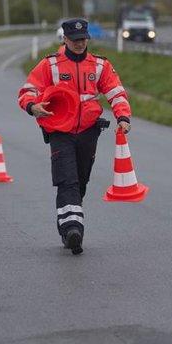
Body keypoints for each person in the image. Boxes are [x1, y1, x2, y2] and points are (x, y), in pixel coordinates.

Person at [19, 18, 132, 254]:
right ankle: (73, 229)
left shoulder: (100, 66)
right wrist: (32, 106)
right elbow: (29, 90)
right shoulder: (50, 65)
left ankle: (68, 220)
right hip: (60, 132)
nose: (80, 44)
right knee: (67, 179)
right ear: (65, 39)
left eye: (83, 39)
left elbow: (116, 92)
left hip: (89, 131)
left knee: (80, 180)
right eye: (75, 40)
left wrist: (123, 117)